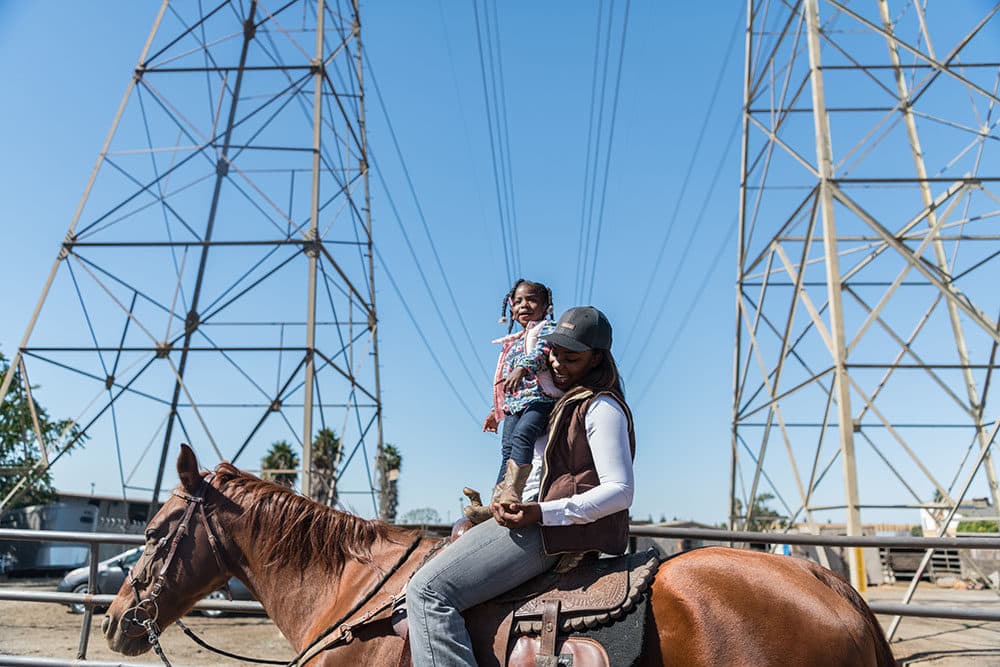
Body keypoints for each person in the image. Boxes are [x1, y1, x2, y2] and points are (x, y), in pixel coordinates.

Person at [407, 306, 635, 666]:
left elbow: (621, 490)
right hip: (543, 522)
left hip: (554, 532)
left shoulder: (601, 407)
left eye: (571, 358)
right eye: (554, 353)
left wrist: (540, 512)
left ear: (596, 360)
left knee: (426, 591)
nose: (558, 364)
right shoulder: (561, 403)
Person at [463, 279, 563, 523]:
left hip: (539, 400)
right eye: (517, 301)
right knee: (507, 450)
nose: (523, 305)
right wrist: (495, 411)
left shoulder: (547, 329)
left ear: (546, 305)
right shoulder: (515, 340)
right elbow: (506, 383)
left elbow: (542, 354)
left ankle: (512, 494)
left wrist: (521, 369)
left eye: (531, 299)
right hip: (514, 405)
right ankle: (496, 501)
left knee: (523, 436)